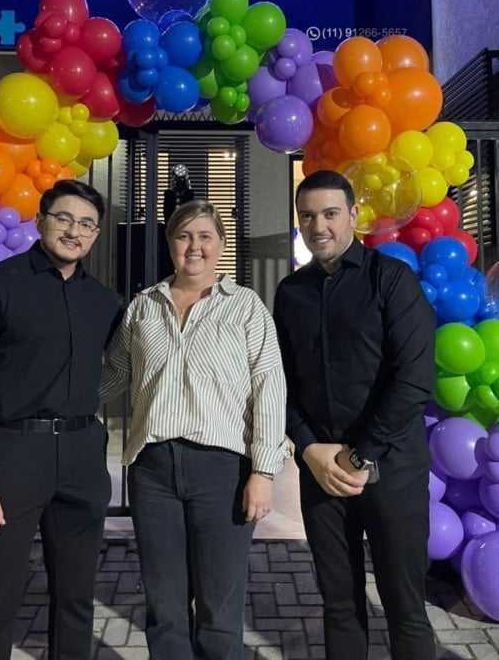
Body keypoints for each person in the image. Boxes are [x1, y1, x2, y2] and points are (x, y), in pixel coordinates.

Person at [0, 179, 121, 660]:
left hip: (81, 457)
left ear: (96, 234)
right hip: (10, 458)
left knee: (77, 602)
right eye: (64, 218)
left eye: (86, 224)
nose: (74, 231)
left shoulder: (103, 304)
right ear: (39, 221)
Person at [100, 199, 290, 660]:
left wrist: (263, 473)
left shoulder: (246, 308)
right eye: (184, 236)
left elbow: (269, 387)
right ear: (170, 244)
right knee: (164, 603)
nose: (194, 246)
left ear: (221, 244)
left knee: (218, 603)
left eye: (205, 236)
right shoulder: (143, 307)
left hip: (221, 471)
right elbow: (110, 377)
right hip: (152, 470)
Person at [273, 170, 436, 660]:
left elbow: (413, 380)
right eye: (307, 215)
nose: (317, 225)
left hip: (392, 468)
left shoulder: (390, 278)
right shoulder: (290, 292)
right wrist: (310, 448)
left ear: (353, 216)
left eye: (329, 213)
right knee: (339, 605)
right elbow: (279, 383)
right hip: (322, 472)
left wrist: (360, 456)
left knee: (405, 607)